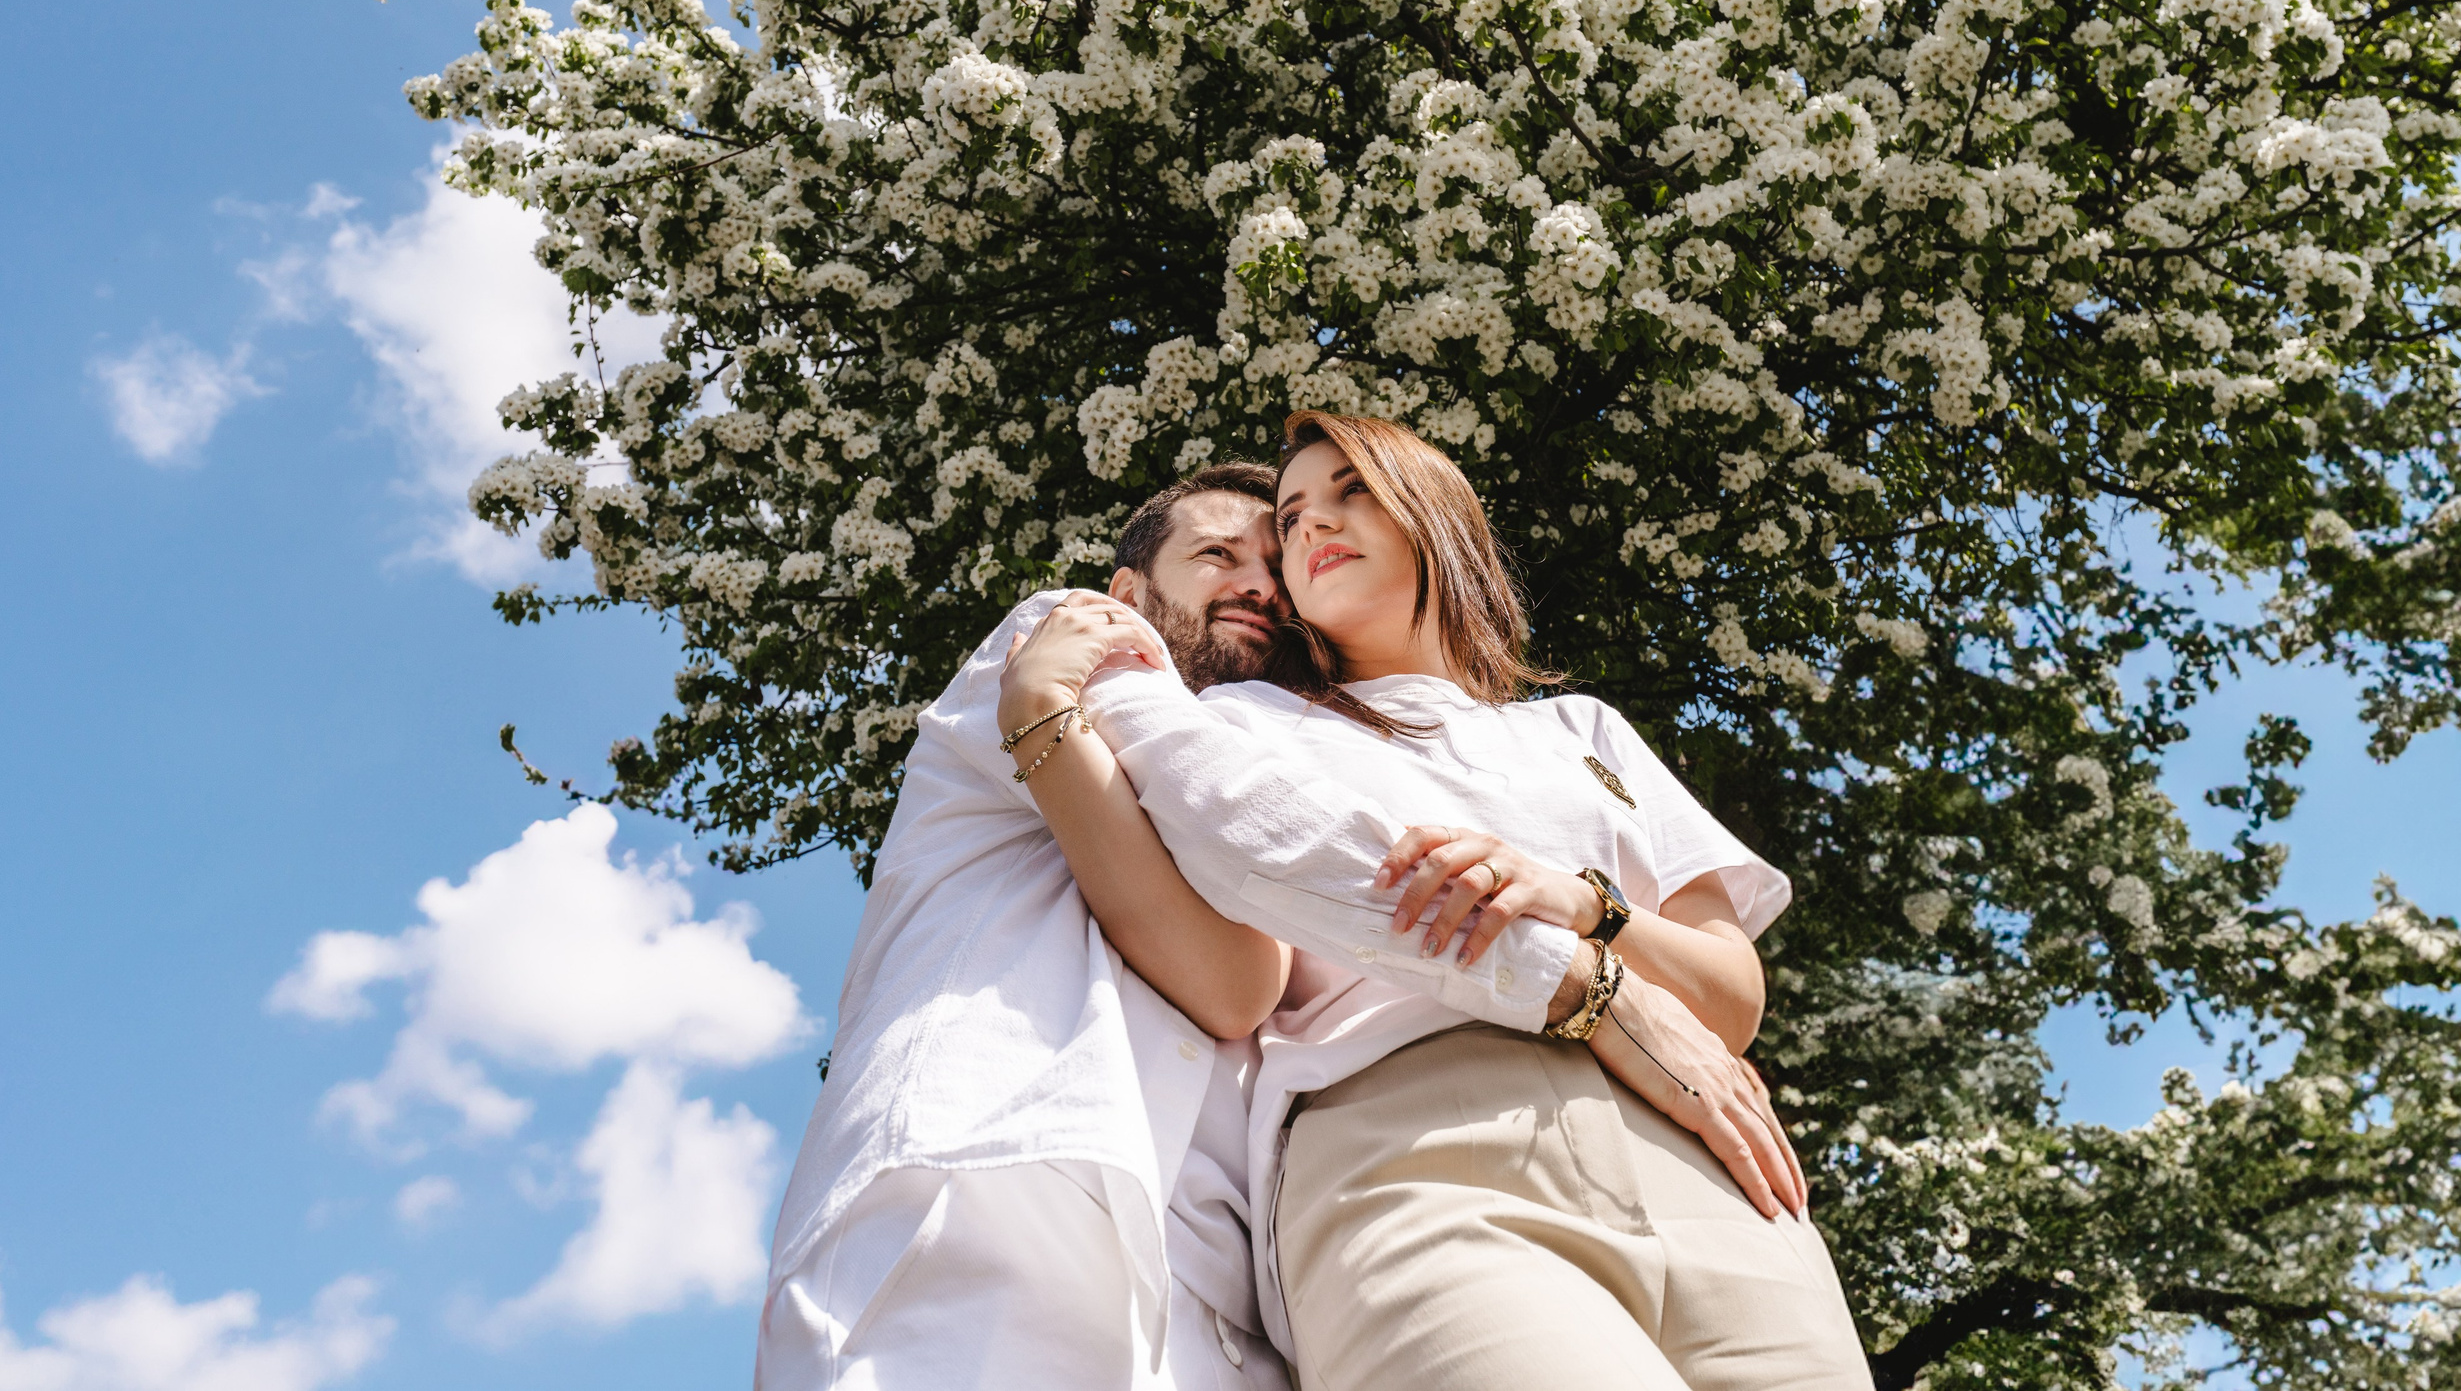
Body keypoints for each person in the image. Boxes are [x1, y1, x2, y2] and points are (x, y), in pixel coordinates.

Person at [757, 463, 1748, 1390]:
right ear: (1131, 585)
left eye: (1274, 565)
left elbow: (1235, 977)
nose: (1259, 583)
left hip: (1209, 1282)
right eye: (1216, 555)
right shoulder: (1073, 635)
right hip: (988, 1181)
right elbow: (1255, 898)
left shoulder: (1261, 741)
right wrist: (1580, 983)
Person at [1008, 412, 1870, 1391]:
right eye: (1290, 518)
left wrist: (1583, 904)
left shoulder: (1581, 730)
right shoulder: (1241, 720)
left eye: (1350, 489)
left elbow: (1728, 1001)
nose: (1310, 527)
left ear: (1435, 510)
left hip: (1715, 1165)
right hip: (1417, 1162)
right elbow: (1243, 930)